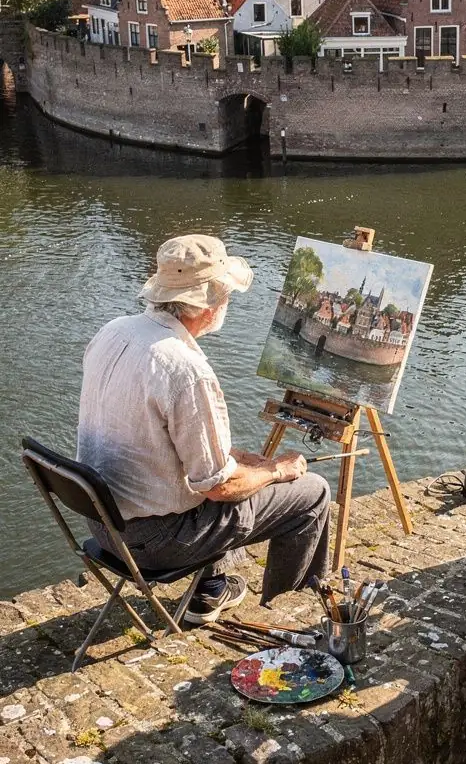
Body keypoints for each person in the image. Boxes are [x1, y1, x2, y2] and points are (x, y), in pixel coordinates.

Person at [77, 234, 331, 624]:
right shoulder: (186, 370)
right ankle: (287, 610)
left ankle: (210, 590)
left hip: (103, 522)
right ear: (209, 305)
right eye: (226, 295)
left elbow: (152, 443)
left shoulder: (113, 331)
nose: (228, 302)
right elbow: (219, 488)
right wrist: (276, 471)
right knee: (312, 492)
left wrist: (240, 461)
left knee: (231, 468)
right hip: (154, 543)